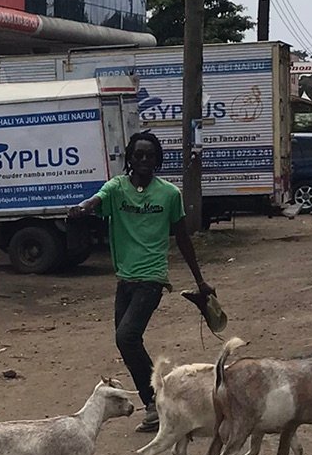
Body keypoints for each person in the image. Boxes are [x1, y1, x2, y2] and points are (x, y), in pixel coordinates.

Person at [70, 130, 215, 433]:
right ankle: (158, 404)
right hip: (125, 279)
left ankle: (155, 403)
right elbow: (96, 199)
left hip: (152, 278)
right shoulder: (118, 188)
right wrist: (84, 208)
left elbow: (183, 238)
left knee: (127, 337)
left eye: (150, 155)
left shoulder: (169, 194)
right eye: (139, 155)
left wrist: (200, 281)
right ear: (130, 158)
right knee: (126, 341)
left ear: (158, 159)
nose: (144, 160)